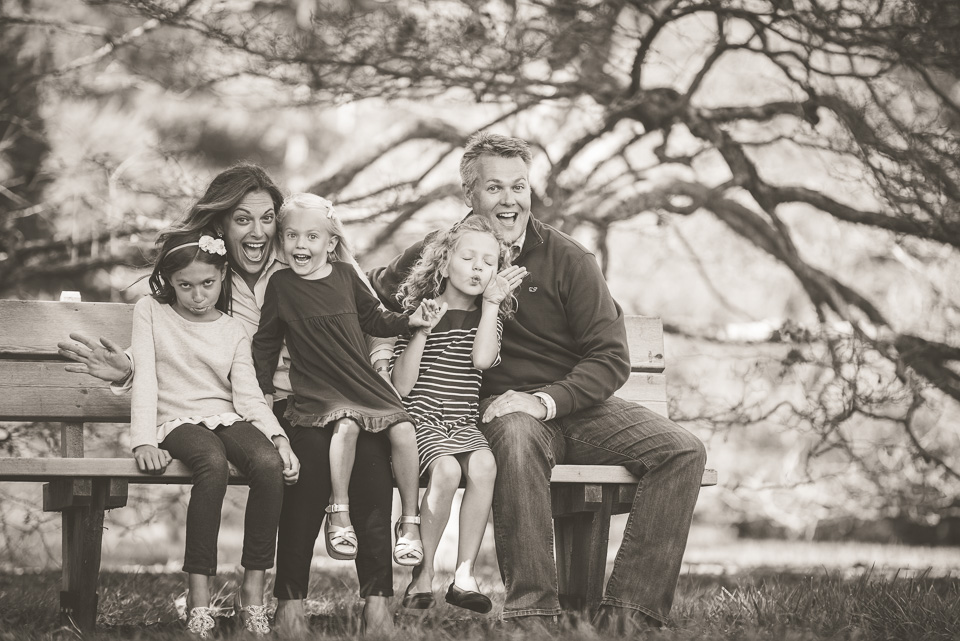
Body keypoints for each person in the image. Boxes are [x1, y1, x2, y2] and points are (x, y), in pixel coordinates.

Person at [368, 133, 708, 632]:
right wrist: (379, 344)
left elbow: (611, 358)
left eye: (519, 187)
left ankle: (629, 617)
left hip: (575, 404)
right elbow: (369, 291)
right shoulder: (444, 251)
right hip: (487, 411)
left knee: (683, 451)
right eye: (494, 188)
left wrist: (545, 400)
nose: (509, 201)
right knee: (516, 433)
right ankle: (534, 614)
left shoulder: (569, 259)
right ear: (470, 195)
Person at [56, 165, 399, 635]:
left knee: (373, 459)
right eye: (243, 219)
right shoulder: (209, 275)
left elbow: (370, 315)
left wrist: (380, 364)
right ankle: (289, 602)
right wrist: (130, 367)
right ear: (221, 226)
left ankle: (378, 600)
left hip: (330, 399)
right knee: (308, 458)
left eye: (266, 219)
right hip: (260, 408)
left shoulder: (306, 256)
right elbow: (182, 336)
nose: (258, 232)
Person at [252, 192, 442, 573]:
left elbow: (375, 319)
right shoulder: (281, 286)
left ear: (331, 242)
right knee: (347, 425)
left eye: (311, 236)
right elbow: (266, 342)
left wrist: (411, 321)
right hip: (320, 388)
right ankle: (338, 512)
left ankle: (409, 522)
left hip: (360, 380)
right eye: (291, 236)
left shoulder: (345, 276)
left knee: (404, 430)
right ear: (281, 241)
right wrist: (262, 394)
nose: (300, 245)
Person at [129, 228, 299, 638]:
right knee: (212, 463)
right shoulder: (150, 311)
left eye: (207, 283)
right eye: (185, 286)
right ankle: (199, 600)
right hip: (177, 421)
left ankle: (253, 593)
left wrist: (278, 437)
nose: (198, 295)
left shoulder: (232, 329)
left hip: (224, 416)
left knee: (267, 464)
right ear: (169, 282)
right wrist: (143, 440)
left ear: (222, 275)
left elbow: (249, 396)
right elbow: (146, 377)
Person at [389, 216, 524, 613]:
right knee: (447, 472)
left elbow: (482, 359)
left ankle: (464, 575)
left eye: (489, 261)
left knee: (484, 464)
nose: (479, 267)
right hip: (422, 419)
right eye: (469, 258)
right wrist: (421, 331)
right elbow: (402, 386)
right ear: (445, 264)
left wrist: (492, 304)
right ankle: (424, 573)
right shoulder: (419, 312)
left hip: (463, 421)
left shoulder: (490, 317)